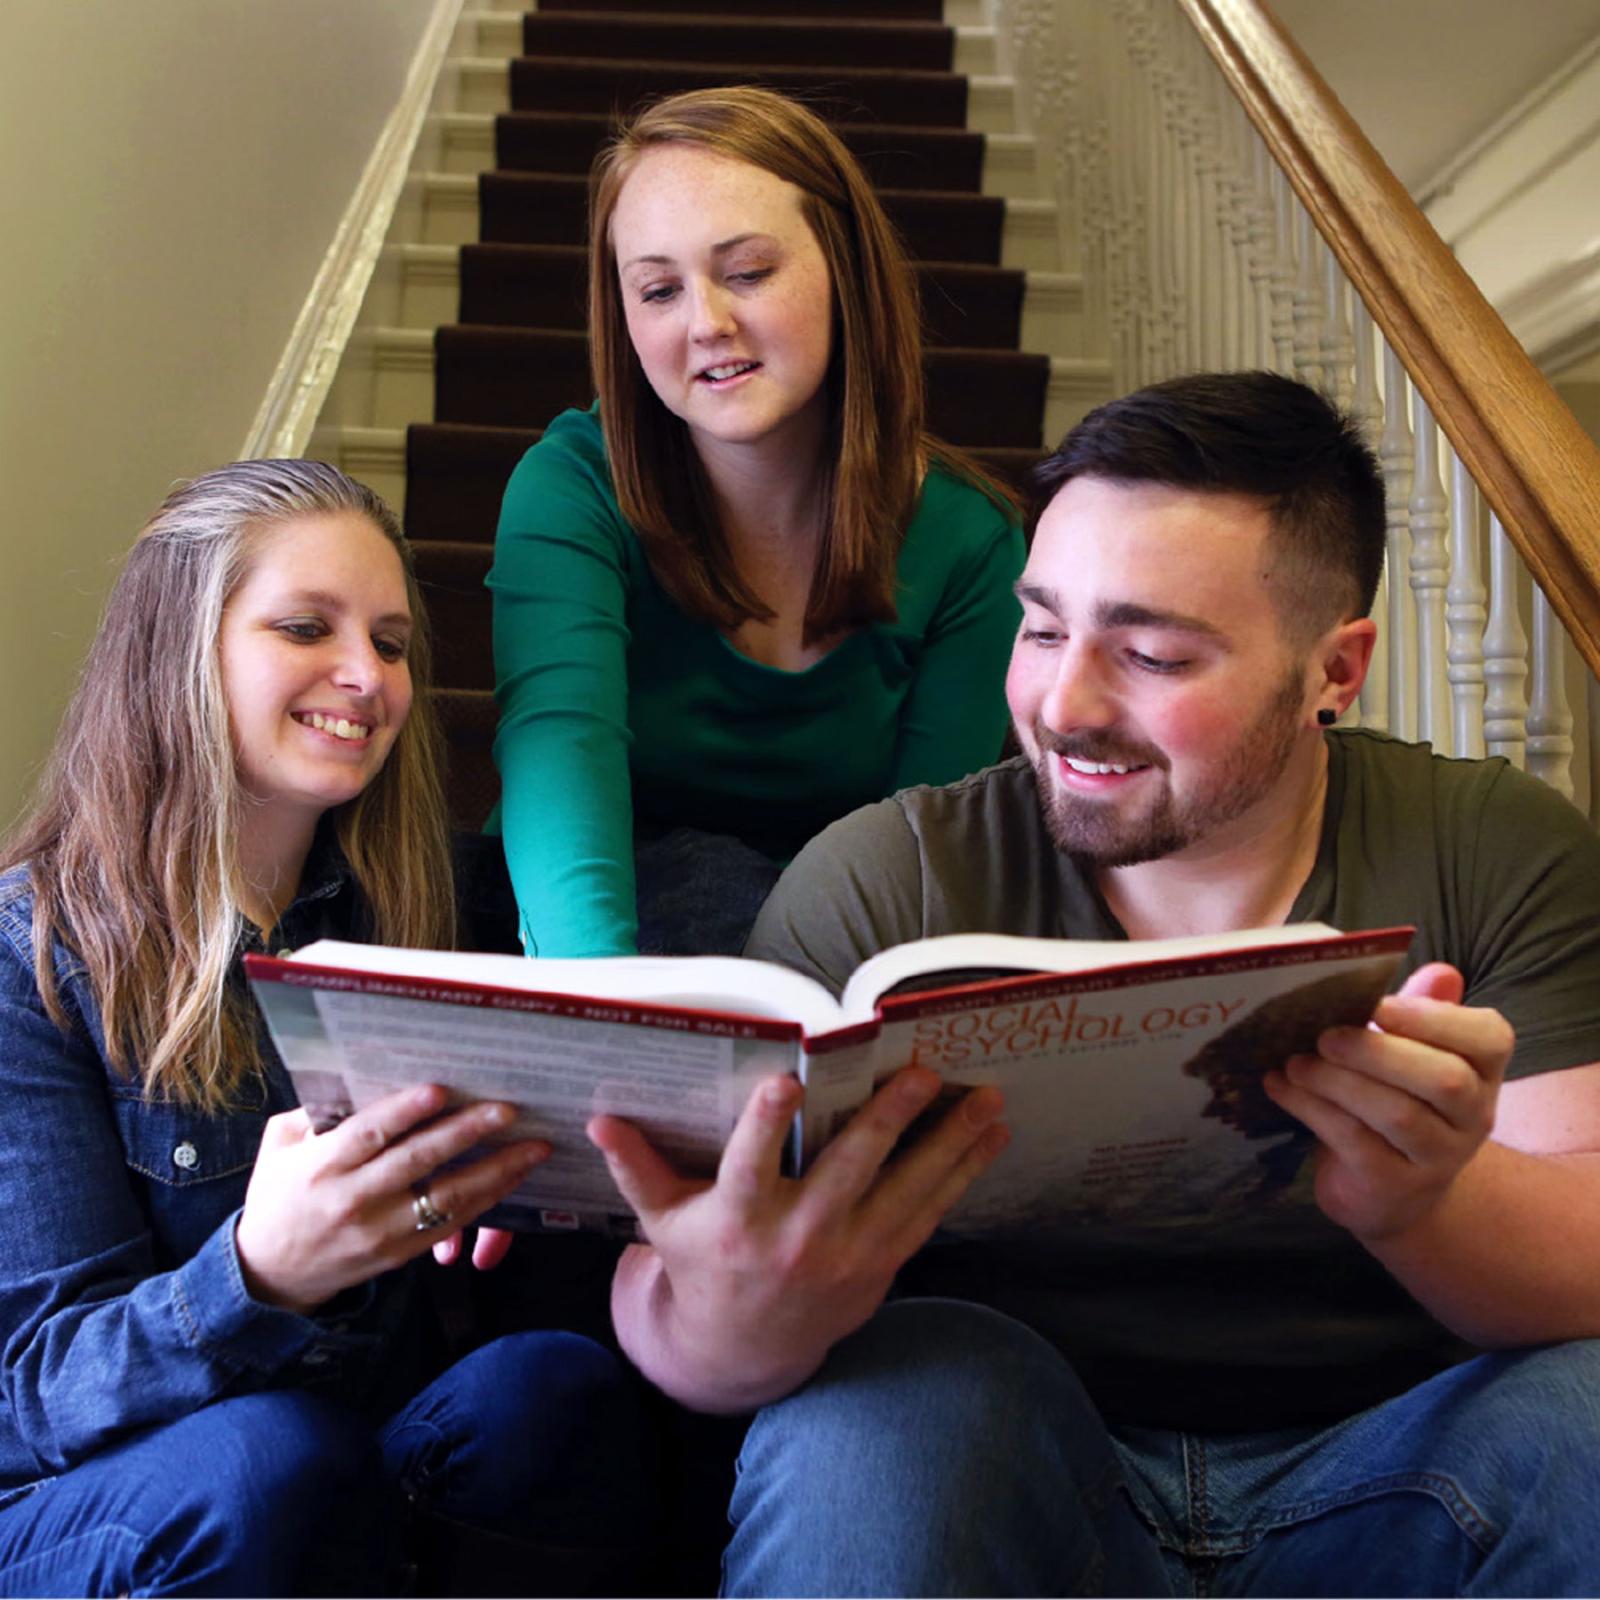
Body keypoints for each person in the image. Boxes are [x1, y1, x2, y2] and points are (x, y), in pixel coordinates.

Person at [589, 373, 1600, 1595]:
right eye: (1042, 627)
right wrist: (741, 1310)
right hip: (1015, 1467)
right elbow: (673, 1315)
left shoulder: (1491, 843)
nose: (1063, 704)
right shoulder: (884, 879)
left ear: (1334, 669)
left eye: (1153, 652)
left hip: (1393, 1474)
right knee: (876, 1411)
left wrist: (1425, 1198)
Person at [0, 461, 657, 1597]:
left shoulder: (421, 915)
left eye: (394, 643)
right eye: (307, 627)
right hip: (101, 1505)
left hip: (355, 1465)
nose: (366, 677)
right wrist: (258, 1272)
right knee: (269, 1459)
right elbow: (31, 1395)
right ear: (178, 649)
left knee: (549, 1390)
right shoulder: (33, 960)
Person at [489, 86, 1025, 959]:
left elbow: (924, 868)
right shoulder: (573, 486)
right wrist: (604, 1023)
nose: (707, 323)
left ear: (844, 270)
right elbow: (560, 746)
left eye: (747, 272)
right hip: (587, 937)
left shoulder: (972, 541)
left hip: (821, 948)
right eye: (658, 290)